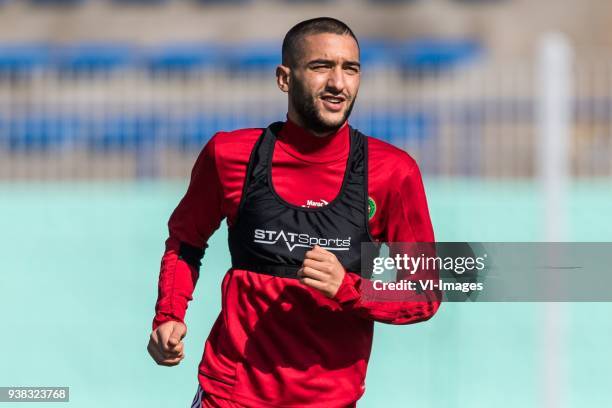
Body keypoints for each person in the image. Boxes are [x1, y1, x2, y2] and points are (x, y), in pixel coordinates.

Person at [147, 17, 441, 408]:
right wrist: (169, 313)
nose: (338, 83)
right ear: (284, 78)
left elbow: (425, 291)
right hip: (230, 394)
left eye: (350, 69)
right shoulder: (230, 155)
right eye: (321, 67)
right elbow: (186, 239)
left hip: (330, 400)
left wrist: (349, 288)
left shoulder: (392, 171)